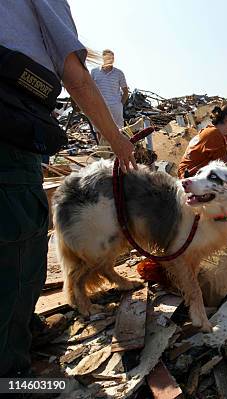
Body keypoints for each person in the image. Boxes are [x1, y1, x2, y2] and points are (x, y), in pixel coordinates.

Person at [0, 0, 136, 378]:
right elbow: (75, 77)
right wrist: (117, 140)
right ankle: (10, 371)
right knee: (19, 233)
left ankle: (23, 328)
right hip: (9, 116)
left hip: (20, 121)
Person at [178, 104, 227, 178]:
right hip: (189, 177)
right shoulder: (214, 134)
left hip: (191, 174)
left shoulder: (213, 132)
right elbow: (222, 166)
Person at [90, 49, 129, 133]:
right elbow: (90, 89)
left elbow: (125, 92)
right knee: (99, 130)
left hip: (115, 107)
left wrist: (120, 104)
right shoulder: (94, 72)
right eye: (108, 58)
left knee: (118, 131)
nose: (110, 60)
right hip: (99, 106)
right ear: (103, 59)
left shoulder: (119, 73)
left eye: (112, 58)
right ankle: (101, 147)